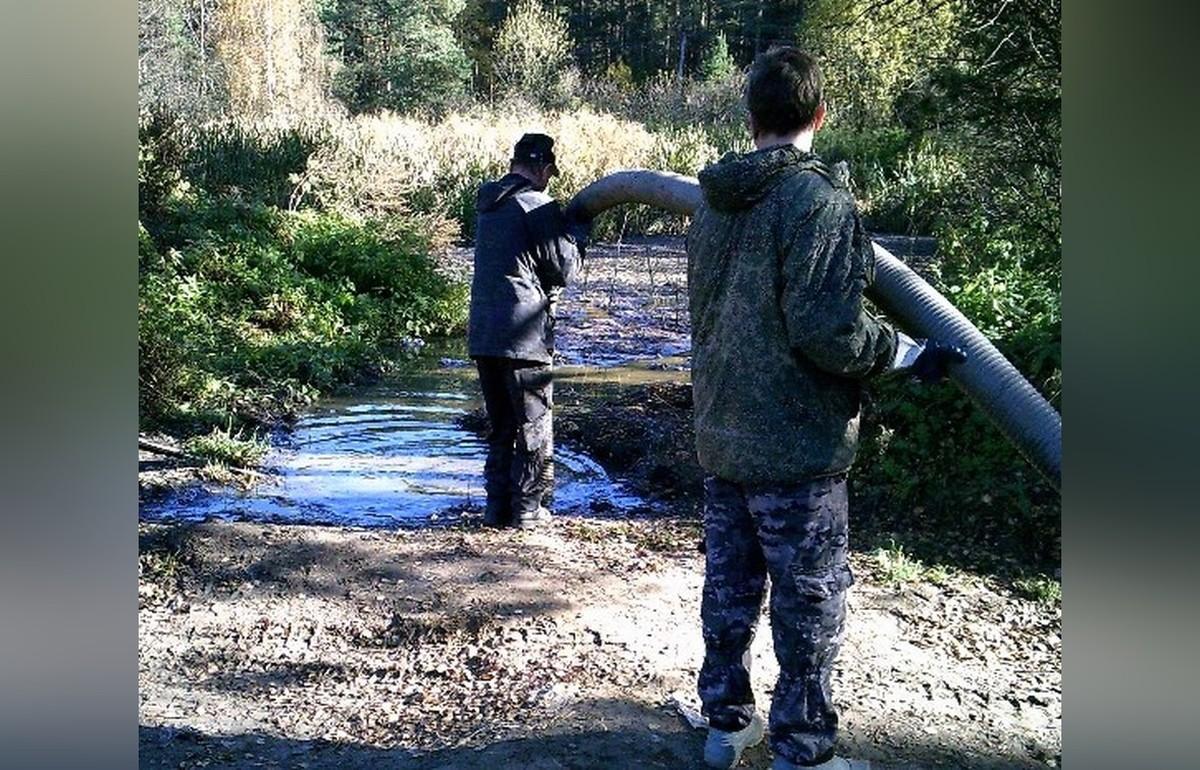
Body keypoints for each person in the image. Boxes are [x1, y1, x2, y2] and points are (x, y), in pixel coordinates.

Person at [685, 47, 966, 770]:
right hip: (796, 448)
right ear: (820, 114)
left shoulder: (712, 204)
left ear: (749, 118)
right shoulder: (818, 203)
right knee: (809, 605)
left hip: (721, 435)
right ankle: (803, 753)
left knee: (730, 590)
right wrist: (906, 354)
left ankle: (726, 728)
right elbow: (829, 333)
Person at [468, 133, 590, 529]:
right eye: (550, 172)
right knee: (532, 426)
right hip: (524, 337)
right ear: (543, 168)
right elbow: (566, 270)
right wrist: (578, 233)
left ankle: (496, 508)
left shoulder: (489, 202)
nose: (550, 179)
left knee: (501, 425)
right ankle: (527, 511)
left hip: (484, 333)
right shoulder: (537, 205)